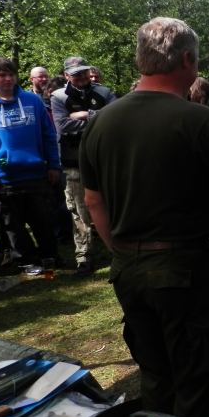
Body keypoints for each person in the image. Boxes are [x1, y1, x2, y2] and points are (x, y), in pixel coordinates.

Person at [80, 17, 209, 417]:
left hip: (128, 271)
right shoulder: (198, 120)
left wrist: (122, 251)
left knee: (156, 374)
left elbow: (93, 201)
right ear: (187, 59)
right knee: (200, 382)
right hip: (185, 273)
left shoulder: (101, 120)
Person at [0, 57, 62, 274]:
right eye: (2, 75)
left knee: (44, 220)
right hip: (4, 177)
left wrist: (53, 164)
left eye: (11, 74)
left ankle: (50, 256)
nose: (8, 79)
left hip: (36, 172)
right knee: (12, 225)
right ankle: (26, 261)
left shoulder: (32, 101)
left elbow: (48, 135)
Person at [51, 56, 117, 274]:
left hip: (104, 159)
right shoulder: (59, 96)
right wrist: (98, 121)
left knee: (112, 205)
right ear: (66, 75)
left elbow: (115, 119)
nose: (81, 76)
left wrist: (86, 115)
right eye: (75, 73)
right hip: (74, 161)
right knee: (79, 209)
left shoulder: (104, 93)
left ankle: (118, 250)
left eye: (84, 72)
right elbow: (63, 126)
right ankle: (84, 256)